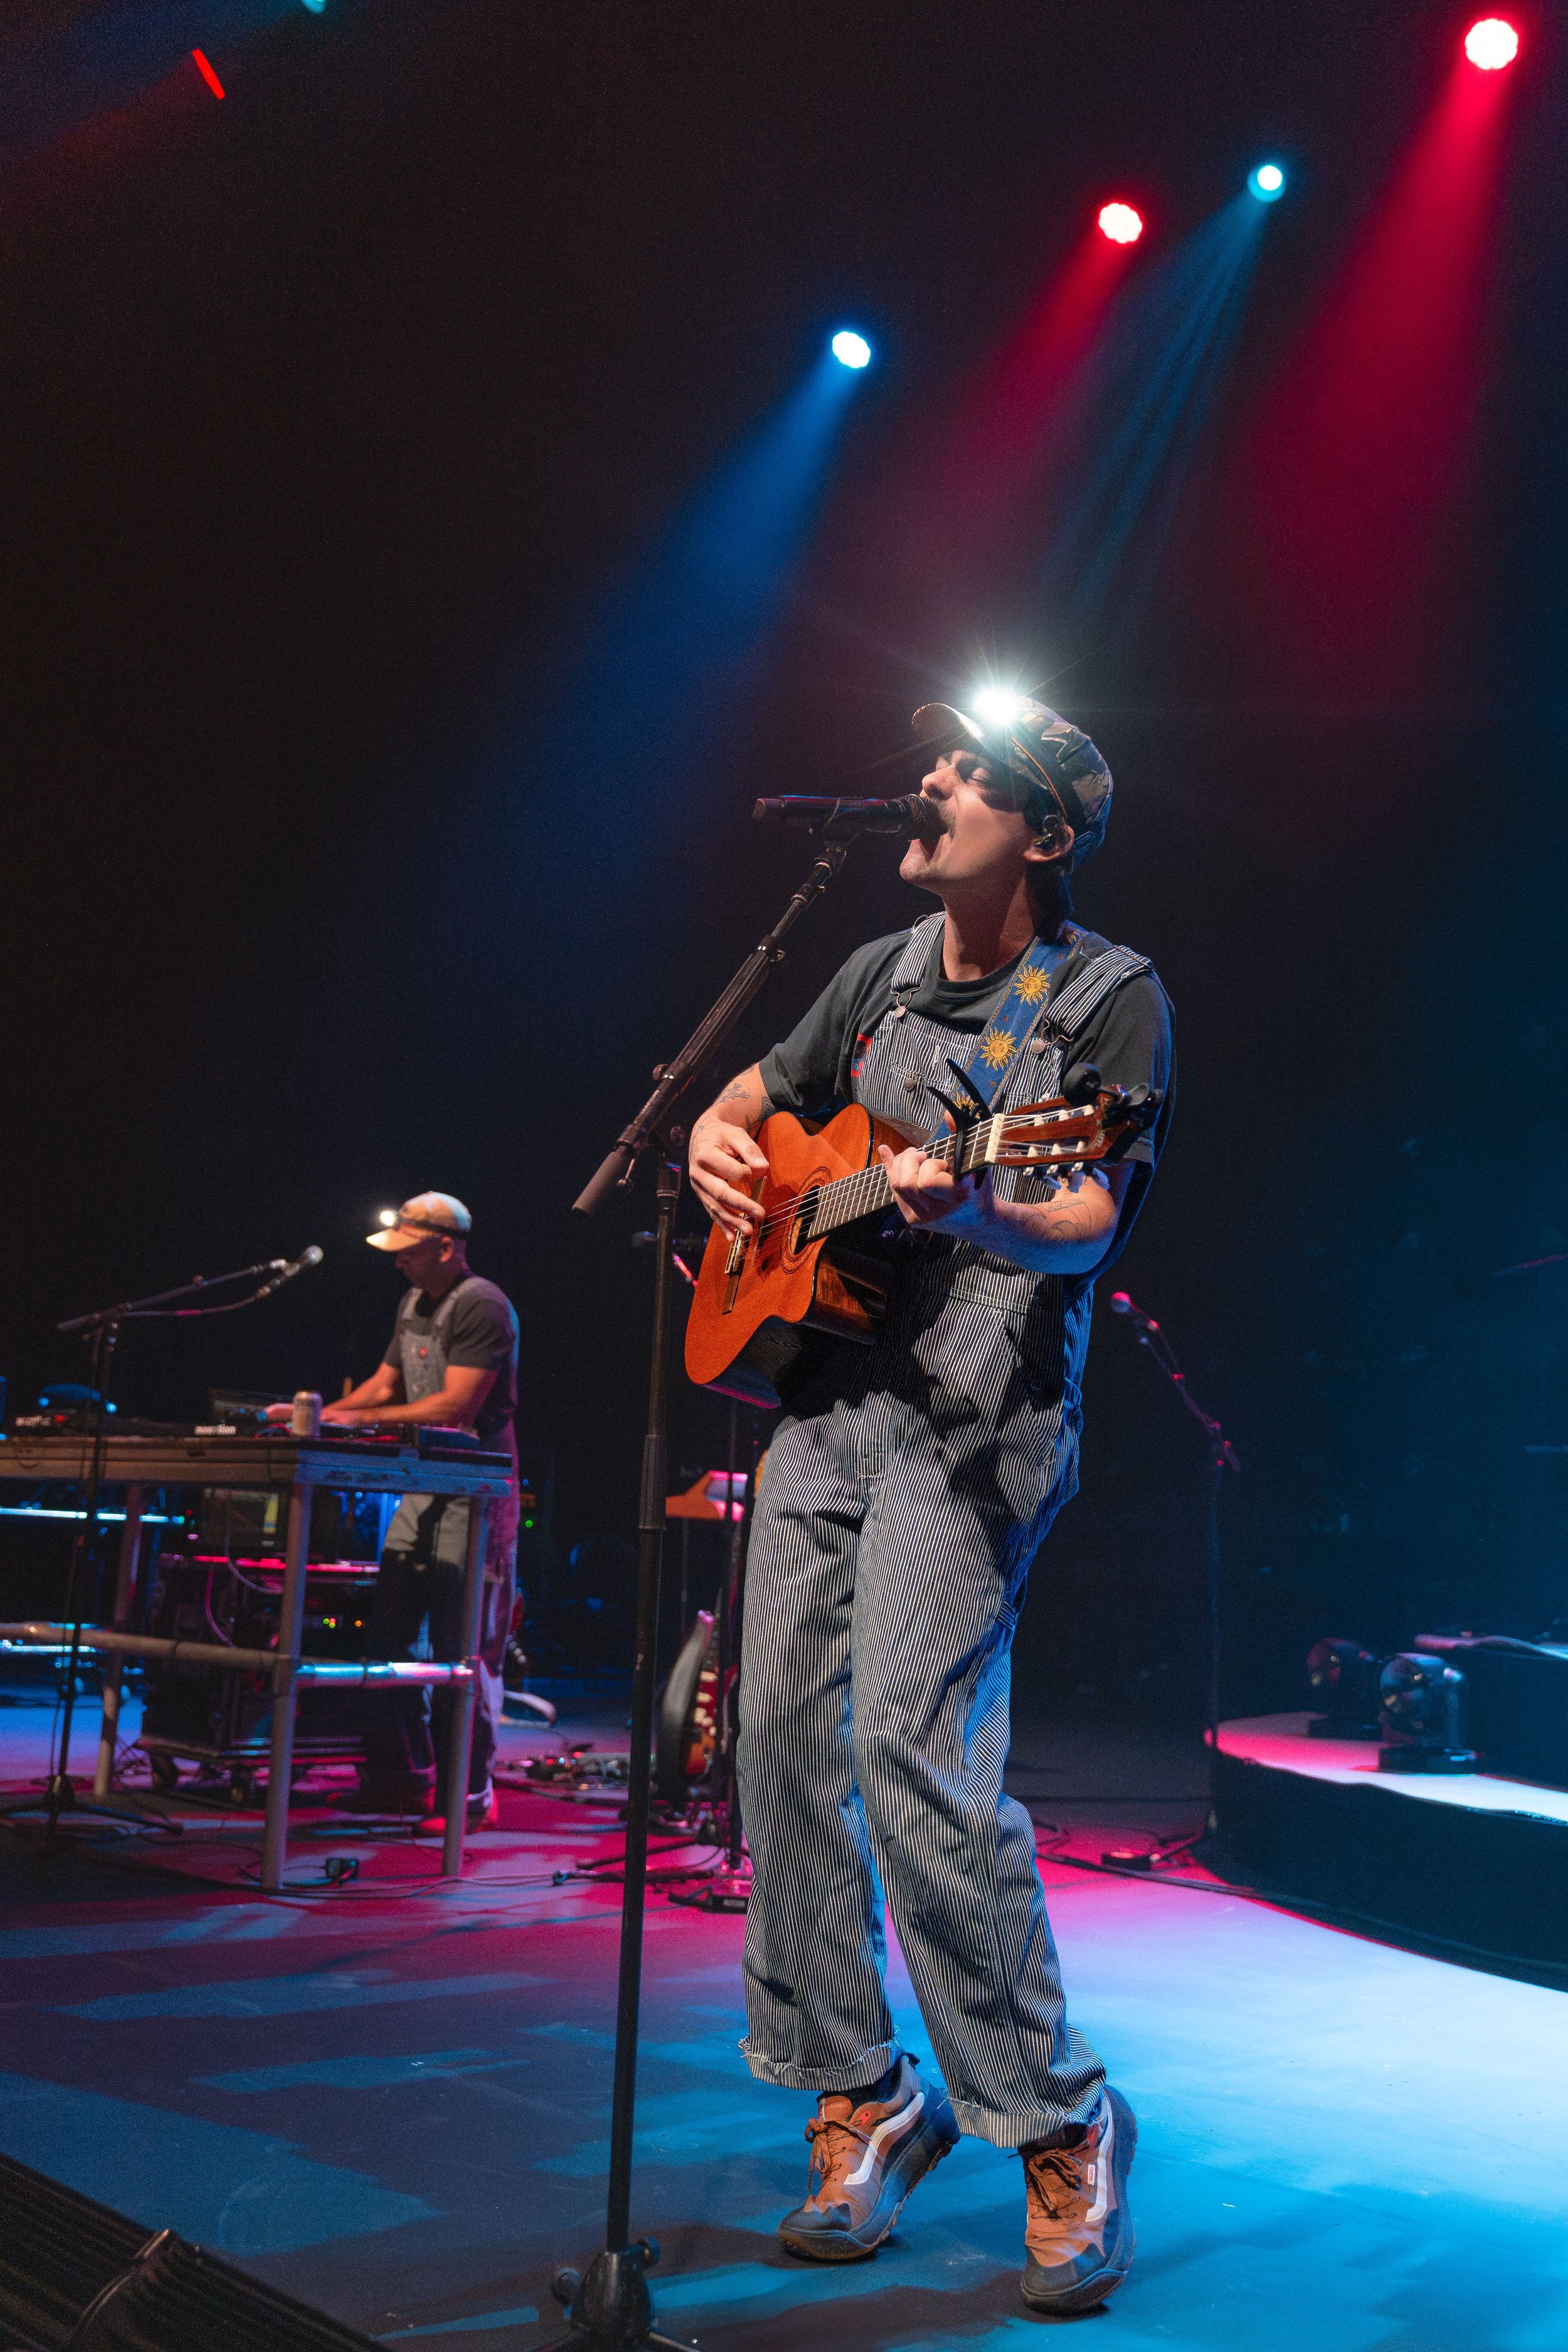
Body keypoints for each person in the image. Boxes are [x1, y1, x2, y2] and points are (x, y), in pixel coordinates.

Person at [687, 697, 1173, 2315]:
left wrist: (974, 1204)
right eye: (936, 763)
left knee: (908, 1747)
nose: (932, 782)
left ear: (1045, 833)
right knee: (772, 1740)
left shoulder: (1107, 997)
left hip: (976, 1415)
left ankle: (1057, 2114)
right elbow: (746, 1097)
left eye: (970, 773)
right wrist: (719, 1150)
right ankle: (864, 2088)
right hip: (825, 1405)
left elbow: (1086, 1211)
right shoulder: (877, 969)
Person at [315, 1191, 519, 1830]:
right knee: (388, 1640)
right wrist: (318, 1417)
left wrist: (357, 1422)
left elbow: (454, 1408)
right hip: (423, 1488)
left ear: (446, 1247)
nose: (398, 1261)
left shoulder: (482, 1303)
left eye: (409, 1251)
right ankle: (400, 1779)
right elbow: (384, 1385)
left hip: (474, 1494)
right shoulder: (412, 1301)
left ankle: (469, 1797)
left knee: (464, 1650)